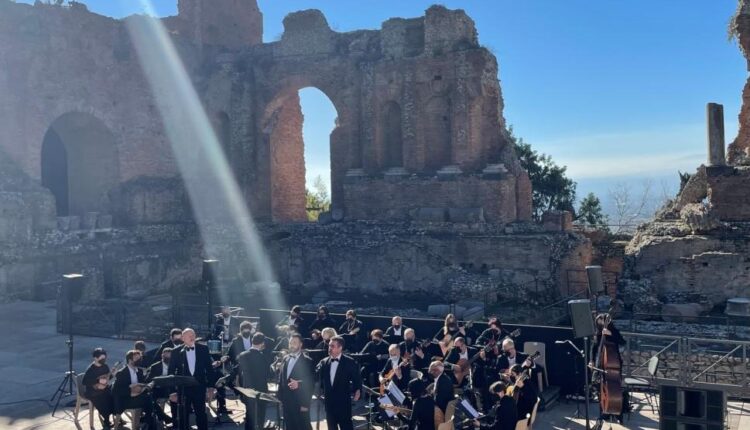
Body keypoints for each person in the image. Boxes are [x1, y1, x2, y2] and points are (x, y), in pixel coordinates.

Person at [168, 328, 217, 430]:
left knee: (201, 414)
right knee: (183, 415)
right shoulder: (176, 352)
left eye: (193, 335)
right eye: (189, 335)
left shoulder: (203, 349)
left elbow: (209, 369)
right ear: (183, 338)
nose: (192, 337)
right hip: (183, 389)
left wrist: (211, 386)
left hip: (199, 387)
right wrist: (172, 391)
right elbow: (170, 373)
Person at [112, 349, 172, 427]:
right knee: (148, 400)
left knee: (149, 400)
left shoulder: (139, 371)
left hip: (139, 398)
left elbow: (144, 383)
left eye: (140, 358)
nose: (139, 360)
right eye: (137, 358)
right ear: (130, 360)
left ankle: (151, 423)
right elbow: (115, 390)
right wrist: (130, 388)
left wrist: (147, 385)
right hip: (126, 400)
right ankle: (160, 419)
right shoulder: (122, 373)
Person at [316, 336, 362, 430]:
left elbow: (357, 379)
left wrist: (357, 390)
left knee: (346, 427)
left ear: (340, 347)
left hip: (343, 403)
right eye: (329, 346)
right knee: (331, 427)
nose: (329, 348)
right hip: (329, 403)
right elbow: (315, 375)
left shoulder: (349, 362)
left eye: (332, 346)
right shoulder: (324, 362)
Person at [590, 314, 627, 428]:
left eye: (602, 323)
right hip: (601, 365)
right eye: (599, 324)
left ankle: (618, 414)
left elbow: (622, 342)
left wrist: (611, 334)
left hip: (613, 364)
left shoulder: (614, 331)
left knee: (616, 389)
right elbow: (594, 348)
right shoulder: (599, 333)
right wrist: (591, 360)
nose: (600, 326)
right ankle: (604, 411)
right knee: (600, 387)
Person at [233, 332, 273, 430]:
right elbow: (270, 375)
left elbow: (236, 371)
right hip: (261, 391)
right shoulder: (264, 357)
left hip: (248, 391)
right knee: (260, 417)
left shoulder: (243, 355)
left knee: (249, 416)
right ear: (262, 343)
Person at [278, 334, 314, 430]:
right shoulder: (286, 358)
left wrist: (305, 404)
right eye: (290, 343)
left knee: (304, 427)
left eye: (294, 343)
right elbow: (281, 379)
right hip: (287, 401)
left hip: (300, 402)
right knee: (289, 426)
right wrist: (280, 399)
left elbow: (311, 383)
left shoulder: (308, 361)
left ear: (300, 344)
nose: (291, 345)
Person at [81, 348, 115, 429]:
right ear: (95, 358)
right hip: (93, 391)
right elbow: (84, 381)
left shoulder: (105, 366)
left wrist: (112, 374)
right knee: (103, 401)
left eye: (105, 358)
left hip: (104, 389)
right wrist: (97, 381)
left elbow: (107, 378)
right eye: (102, 358)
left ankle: (115, 417)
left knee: (114, 396)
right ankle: (106, 421)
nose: (104, 360)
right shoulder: (90, 369)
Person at [145, 347, 178, 423]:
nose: (167, 358)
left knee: (175, 398)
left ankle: (175, 420)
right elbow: (149, 379)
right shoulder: (155, 366)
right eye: (166, 356)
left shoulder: (175, 365)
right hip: (158, 388)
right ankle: (163, 417)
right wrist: (158, 379)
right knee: (149, 399)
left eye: (169, 356)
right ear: (162, 356)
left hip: (170, 389)